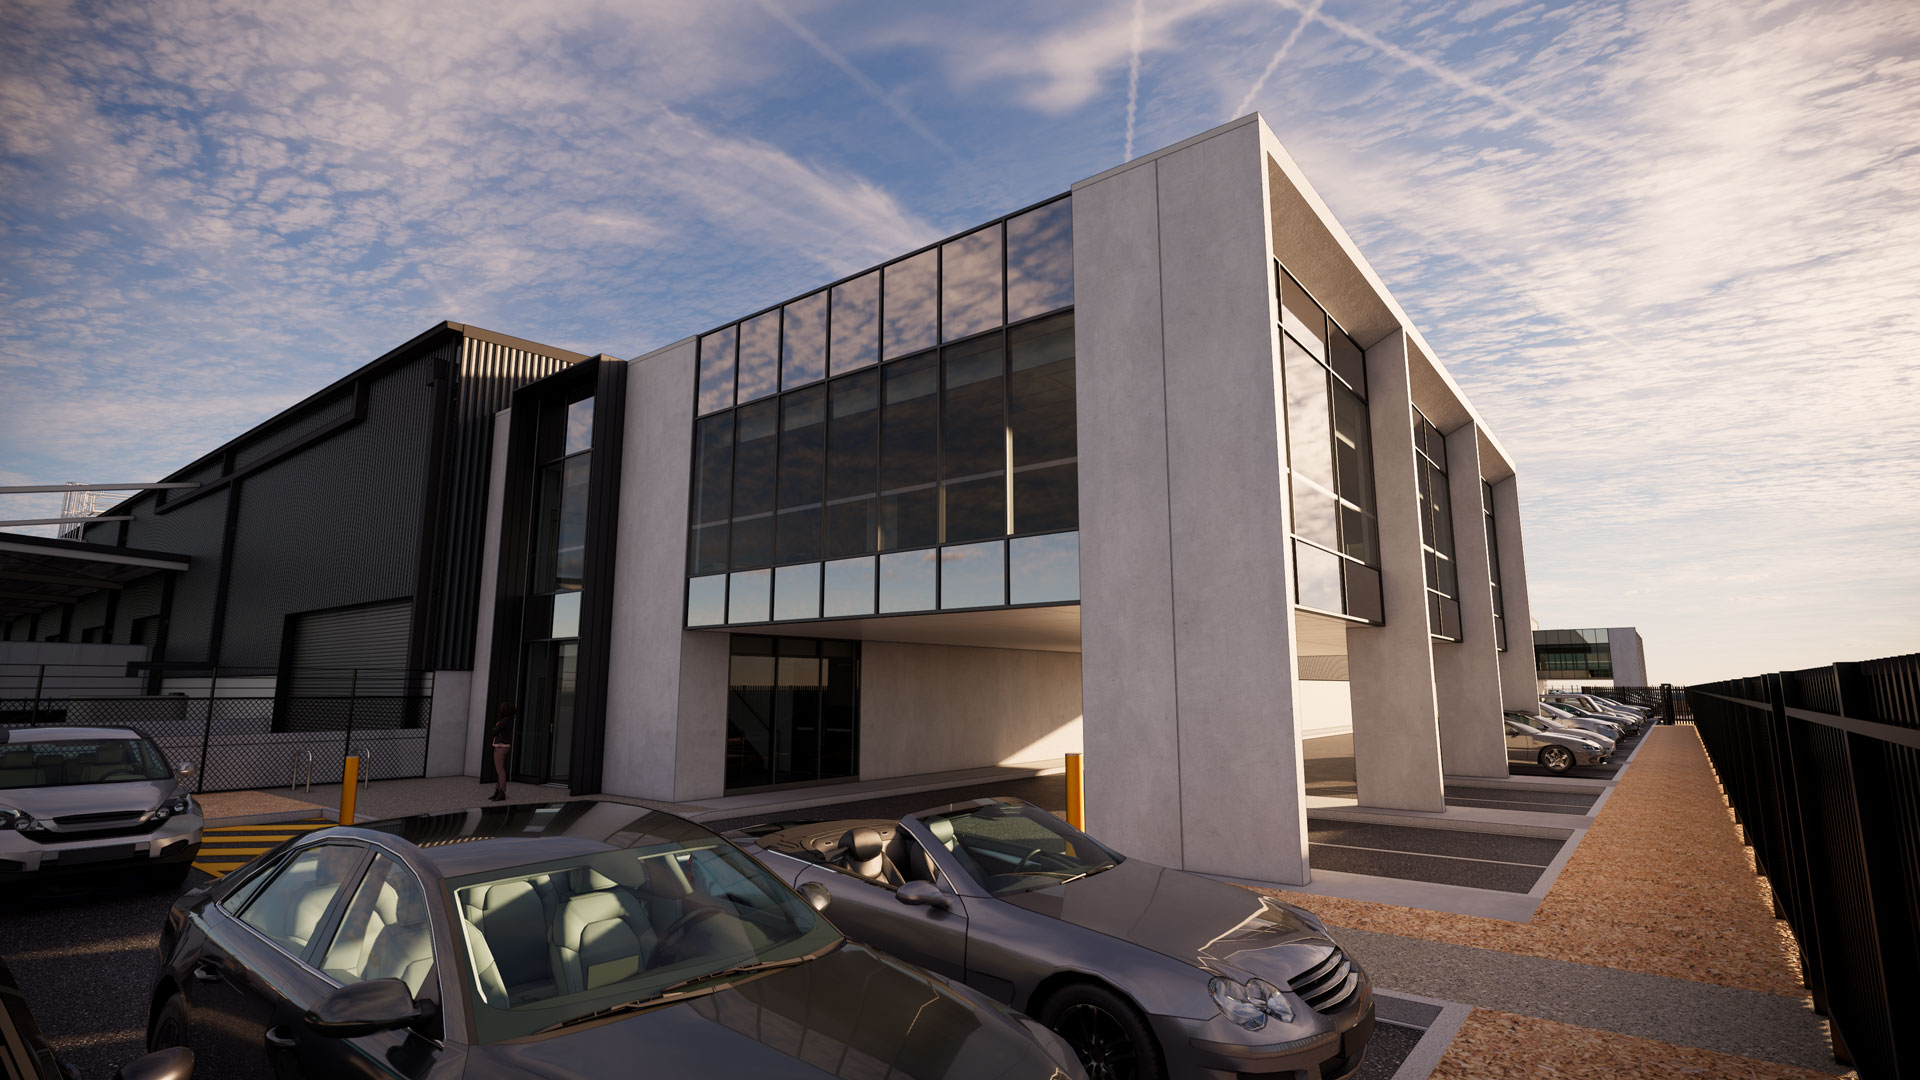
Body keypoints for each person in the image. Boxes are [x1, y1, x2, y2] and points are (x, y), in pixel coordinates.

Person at [489, 703, 515, 803]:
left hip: (501, 746)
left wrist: (495, 727)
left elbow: (494, 731)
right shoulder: (509, 720)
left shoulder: (504, 721)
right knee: (500, 770)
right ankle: (497, 791)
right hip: (505, 746)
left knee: (500, 770)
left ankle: (501, 792)